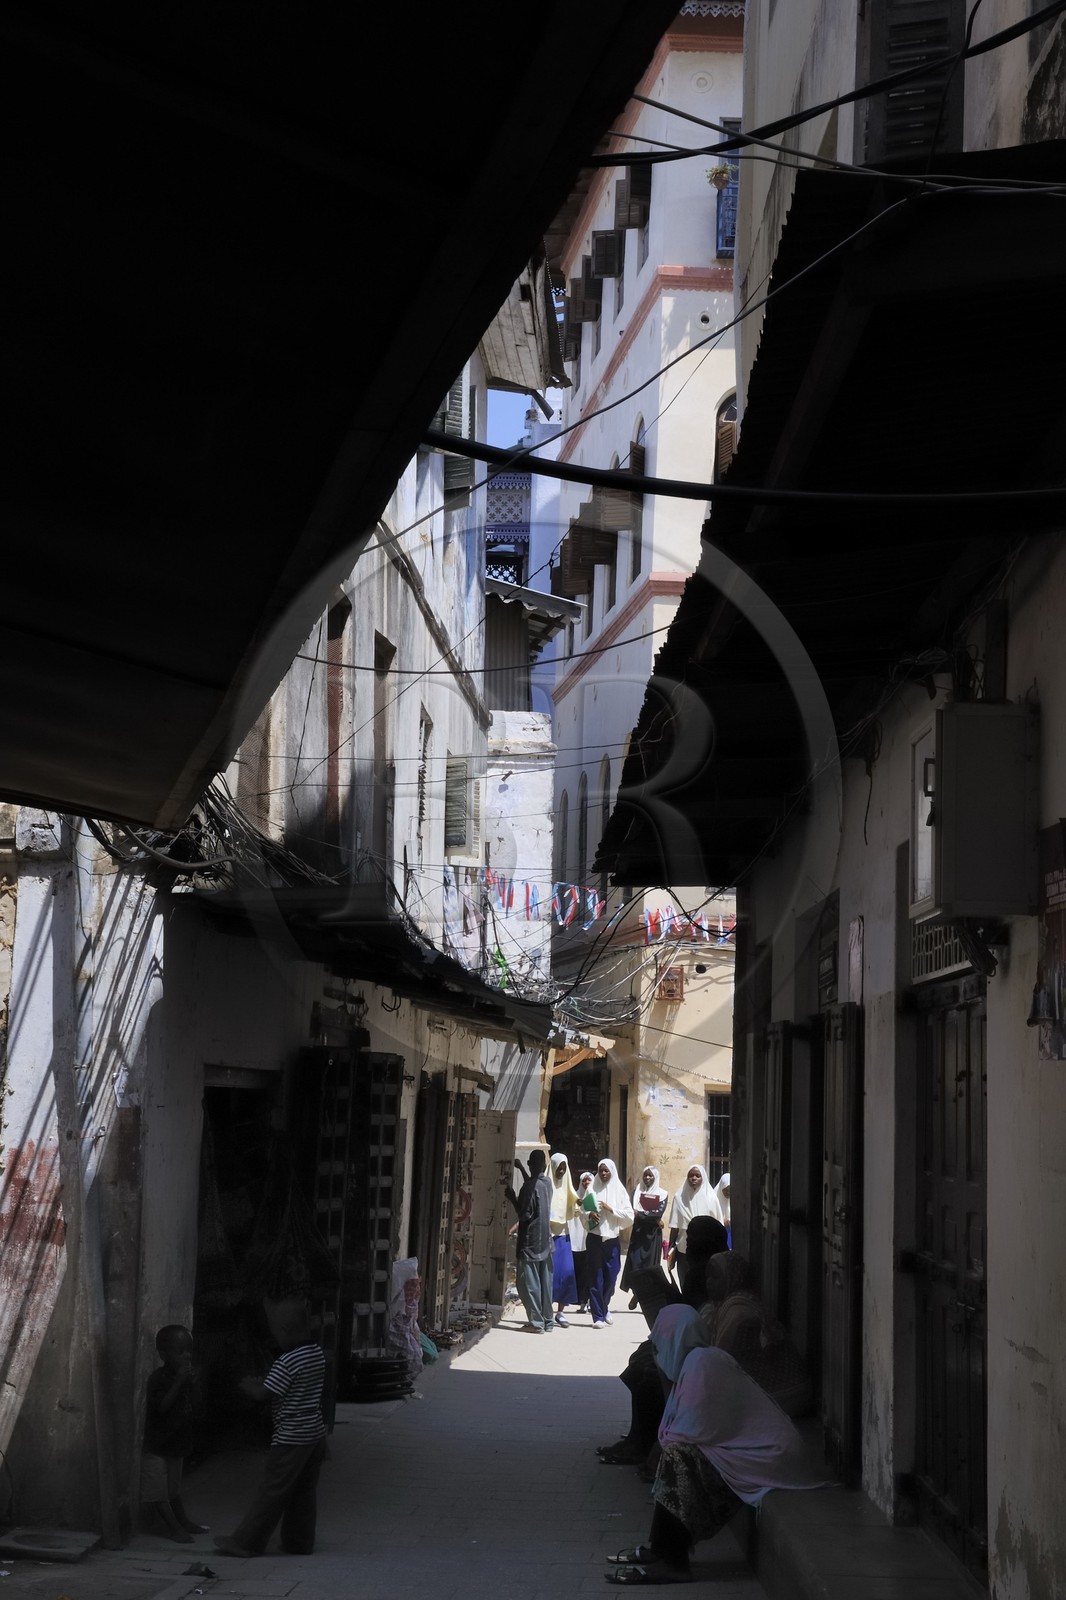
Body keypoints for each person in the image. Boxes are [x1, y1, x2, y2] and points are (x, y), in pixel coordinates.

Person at [603, 1342, 828, 1585]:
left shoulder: (702, 1366)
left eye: (661, 1343)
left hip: (770, 1459)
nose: (657, 1351)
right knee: (678, 1455)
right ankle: (662, 1548)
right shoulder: (699, 1362)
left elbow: (695, 1430)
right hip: (747, 1453)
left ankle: (673, 1562)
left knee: (679, 1458)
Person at [214, 1298, 328, 1558]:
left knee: (273, 1490)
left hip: (290, 1436)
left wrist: (248, 1385)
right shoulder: (316, 1354)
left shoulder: (287, 1360)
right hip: (313, 1433)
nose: (274, 1337)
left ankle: (247, 1542)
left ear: (285, 1331)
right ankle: (299, 1542)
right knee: (304, 1492)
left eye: (275, 1332)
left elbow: (263, 1394)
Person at [598, 1303, 712, 1467]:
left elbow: (686, 1420)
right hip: (699, 1433)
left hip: (726, 1447)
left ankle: (641, 1445)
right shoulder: (691, 1358)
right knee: (642, 1372)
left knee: (648, 1383)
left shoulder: (699, 1366)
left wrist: (662, 1442)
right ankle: (637, 1439)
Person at [141, 1324, 208, 1542]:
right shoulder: (159, 1378)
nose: (186, 1356)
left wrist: (195, 1384)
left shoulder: (188, 1378)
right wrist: (179, 1381)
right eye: (180, 1352)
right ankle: (174, 1528)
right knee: (158, 1492)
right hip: (157, 1445)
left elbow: (199, 1409)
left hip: (177, 1443)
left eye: (189, 1350)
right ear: (163, 1355)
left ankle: (183, 1522)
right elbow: (162, 1406)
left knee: (173, 1489)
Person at [510, 1149, 555, 1333]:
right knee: (545, 1284)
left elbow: (524, 1214)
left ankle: (536, 1323)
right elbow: (533, 1185)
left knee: (528, 1284)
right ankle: (548, 1321)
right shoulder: (547, 1183)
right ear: (545, 1166)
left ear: (530, 1164)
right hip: (545, 1240)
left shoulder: (528, 1188)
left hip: (530, 1242)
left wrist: (513, 1198)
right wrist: (521, 1168)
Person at [586, 1158, 635, 1328]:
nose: (604, 1174)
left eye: (606, 1171)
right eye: (601, 1171)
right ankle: (597, 1316)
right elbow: (581, 1212)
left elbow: (629, 1215)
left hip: (612, 1240)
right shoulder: (591, 1189)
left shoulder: (620, 1191)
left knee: (612, 1275)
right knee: (595, 1277)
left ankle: (604, 1306)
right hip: (594, 1238)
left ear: (612, 1171)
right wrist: (589, 1215)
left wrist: (610, 1209)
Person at [621, 1167, 669, 1309]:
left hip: (652, 1237)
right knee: (635, 1266)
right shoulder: (636, 1192)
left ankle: (640, 1297)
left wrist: (642, 1215)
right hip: (638, 1234)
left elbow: (657, 1214)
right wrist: (650, 1217)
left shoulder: (663, 1194)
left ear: (656, 1177)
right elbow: (631, 1210)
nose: (647, 1178)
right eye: (645, 1175)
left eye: (650, 1176)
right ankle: (638, 1293)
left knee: (649, 1268)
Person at [667, 1164, 722, 1289]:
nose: (694, 1178)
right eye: (691, 1175)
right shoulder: (679, 1198)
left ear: (703, 1178)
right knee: (685, 1281)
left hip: (706, 1249)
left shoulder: (711, 1198)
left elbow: (718, 1225)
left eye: (697, 1176)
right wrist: (671, 1249)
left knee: (703, 1283)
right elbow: (675, 1226)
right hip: (684, 1248)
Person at [549, 1153, 581, 1326]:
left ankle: (560, 1312)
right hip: (548, 1236)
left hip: (564, 1236)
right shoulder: (546, 1186)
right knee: (549, 1276)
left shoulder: (568, 1186)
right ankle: (546, 1309)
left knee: (566, 1273)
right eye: (558, 1168)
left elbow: (574, 1203)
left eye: (563, 1168)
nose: (561, 1171)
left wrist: (580, 1205)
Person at [572, 1171, 596, 1313]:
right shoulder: (575, 1197)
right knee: (579, 1271)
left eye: (589, 1180)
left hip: (590, 1238)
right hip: (576, 1240)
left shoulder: (595, 1196)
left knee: (589, 1271)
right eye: (584, 1181)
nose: (586, 1183)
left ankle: (589, 1300)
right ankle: (581, 1300)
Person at [713, 1172, 731, 1246]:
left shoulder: (737, 1200)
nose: (727, 1192)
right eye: (725, 1189)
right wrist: (722, 1221)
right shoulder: (713, 1199)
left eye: (730, 1189)